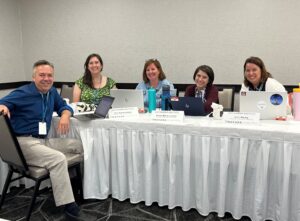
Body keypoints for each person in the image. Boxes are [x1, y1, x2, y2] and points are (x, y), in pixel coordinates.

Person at [0, 60, 83, 218]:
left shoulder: (51, 92)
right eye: (42, 75)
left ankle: (67, 186)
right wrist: (3, 107)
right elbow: (2, 103)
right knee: (58, 159)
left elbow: (64, 107)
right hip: (23, 143)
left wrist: (65, 116)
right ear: (34, 77)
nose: (46, 78)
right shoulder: (23, 92)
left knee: (77, 145)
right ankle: (69, 207)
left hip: (42, 141)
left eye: (50, 75)